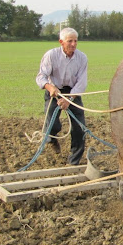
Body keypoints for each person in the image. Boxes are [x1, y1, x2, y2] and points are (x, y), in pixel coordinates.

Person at [35, 27, 88, 165]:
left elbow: (81, 83)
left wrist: (69, 99)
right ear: (61, 42)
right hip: (54, 92)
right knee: (51, 123)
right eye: (70, 41)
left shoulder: (82, 58)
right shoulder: (51, 55)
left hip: (73, 93)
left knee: (79, 127)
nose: (73, 44)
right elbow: (41, 77)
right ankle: (51, 139)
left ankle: (74, 160)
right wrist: (50, 87)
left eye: (75, 41)